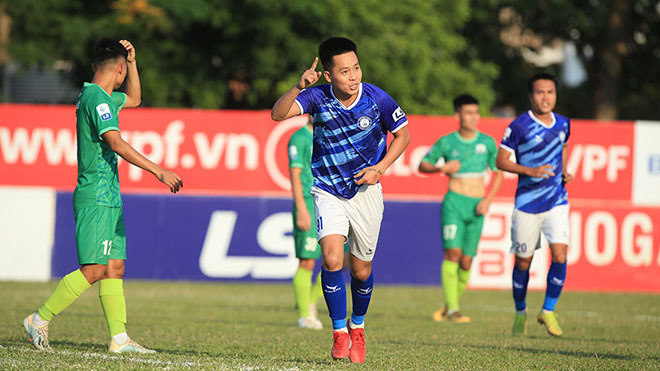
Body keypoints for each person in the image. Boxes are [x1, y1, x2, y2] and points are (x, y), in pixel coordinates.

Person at [23, 38, 183, 353]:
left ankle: (119, 339)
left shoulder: (103, 96)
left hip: (109, 195)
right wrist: (158, 171)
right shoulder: (97, 100)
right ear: (118, 69)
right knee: (94, 269)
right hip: (96, 195)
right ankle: (39, 319)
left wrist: (134, 62)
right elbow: (116, 142)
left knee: (114, 267)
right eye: (126, 67)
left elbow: (135, 98)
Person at [271, 37, 410, 364]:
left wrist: (379, 168)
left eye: (356, 68)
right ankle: (338, 332)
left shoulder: (378, 99)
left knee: (361, 271)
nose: (353, 76)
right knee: (333, 260)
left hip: (367, 194)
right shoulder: (316, 97)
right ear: (329, 75)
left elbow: (402, 134)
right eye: (345, 71)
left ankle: (357, 326)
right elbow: (277, 114)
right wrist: (297, 86)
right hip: (328, 190)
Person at [495, 72, 573, 337]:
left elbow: (562, 149)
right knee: (523, 263)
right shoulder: (519, 125)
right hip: (527, 204)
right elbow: (501, 160)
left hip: (556, 200)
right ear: (531, 96)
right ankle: (520, 311)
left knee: (561, 254)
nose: (545, 97)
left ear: (555, 95)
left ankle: (548, 310)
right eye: (540, 92)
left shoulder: (563, 123)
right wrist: (530, 170)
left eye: (550, 92)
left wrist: (564, 172)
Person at [418, 94, 503, 324]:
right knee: (452, 254)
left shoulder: (486, 143)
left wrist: (488, 200)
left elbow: (498, 172)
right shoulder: (447, 142)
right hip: (454, 202)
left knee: (466, 261)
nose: (473, 117)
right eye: (468, 112)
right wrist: (441, 168)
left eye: (476, 112)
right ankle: (454, 309)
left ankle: (449, 305)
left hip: (477, 205)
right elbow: (423, 164)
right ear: (458, 115)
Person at [288, 115, 324, 330]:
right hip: (309, 202)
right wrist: (301, 208)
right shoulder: (299, 138)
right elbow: (295, 175)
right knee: (307, 261)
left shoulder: (328, 135)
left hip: (331, 202)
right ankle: (304, 316)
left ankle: (311, 300)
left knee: (341, 262)